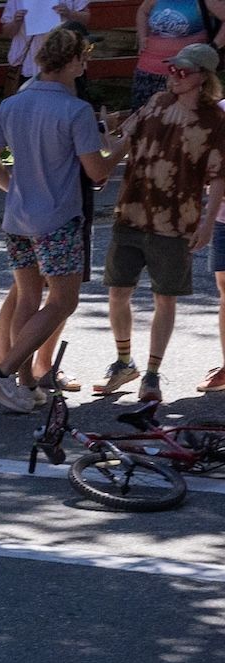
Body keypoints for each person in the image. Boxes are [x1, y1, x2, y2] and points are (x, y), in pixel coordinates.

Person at [0, 26, 114, 406]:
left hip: (18, 218)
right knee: (63, 301)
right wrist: (121, 148)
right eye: (83, 58)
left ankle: (24, 387)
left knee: (27, 298)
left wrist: (16, 189)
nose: (85, 64)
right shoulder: (76, 110)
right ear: (72, 61)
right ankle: (2, 373)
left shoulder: (12, 105)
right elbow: (97, 172)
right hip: (56, 220)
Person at [96, 43, 225, 405]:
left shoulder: (214, 121)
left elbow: (218, 177)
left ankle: (152, 374)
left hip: (175, 221)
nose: (173, 76)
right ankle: (124, 362)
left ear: (203, 77)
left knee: (163, 299)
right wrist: (104, 151)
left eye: (182, 72)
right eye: (171, 69)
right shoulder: (156, 103)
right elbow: (125, 142)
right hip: (131, 212)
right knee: (118, 290)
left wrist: (205, 221)